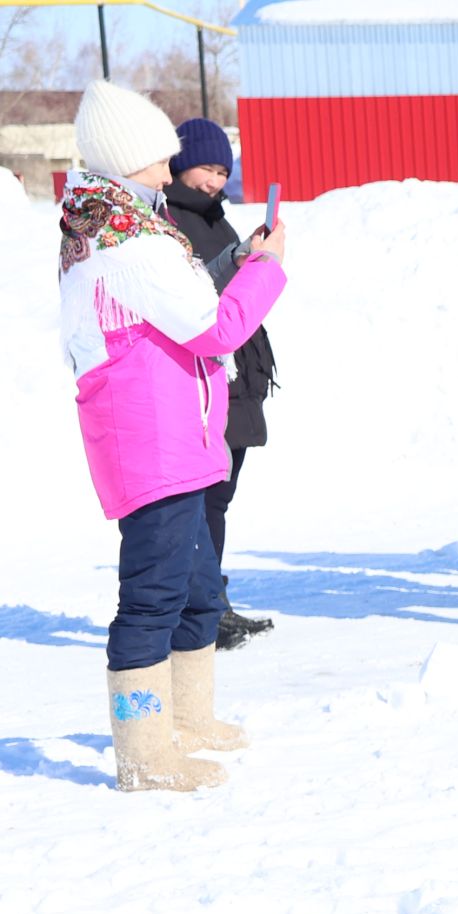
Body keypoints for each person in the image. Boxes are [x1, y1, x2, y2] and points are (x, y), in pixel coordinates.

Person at [59, 80, 286, 792]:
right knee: (153, 596)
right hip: (149, 438)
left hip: (178, 431)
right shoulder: (127, 244)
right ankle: (144, 750)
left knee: (192, 589)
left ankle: (187, 721)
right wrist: (269, 269)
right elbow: (213, 326)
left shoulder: (123, 227)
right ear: (126, 164)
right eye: (157, 162)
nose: (168, 172)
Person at [164, 117, 278, 650]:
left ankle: (213, 598)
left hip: (241, 376)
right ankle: (202, 608)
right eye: (209, 168)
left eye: (222, 172)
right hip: (207, 377)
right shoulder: (165, 221)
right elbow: (194, 292)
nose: (215, 181)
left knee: (221, 498)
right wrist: (237, 260)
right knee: (204, 500)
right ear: (182, 163)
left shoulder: (218, 219)